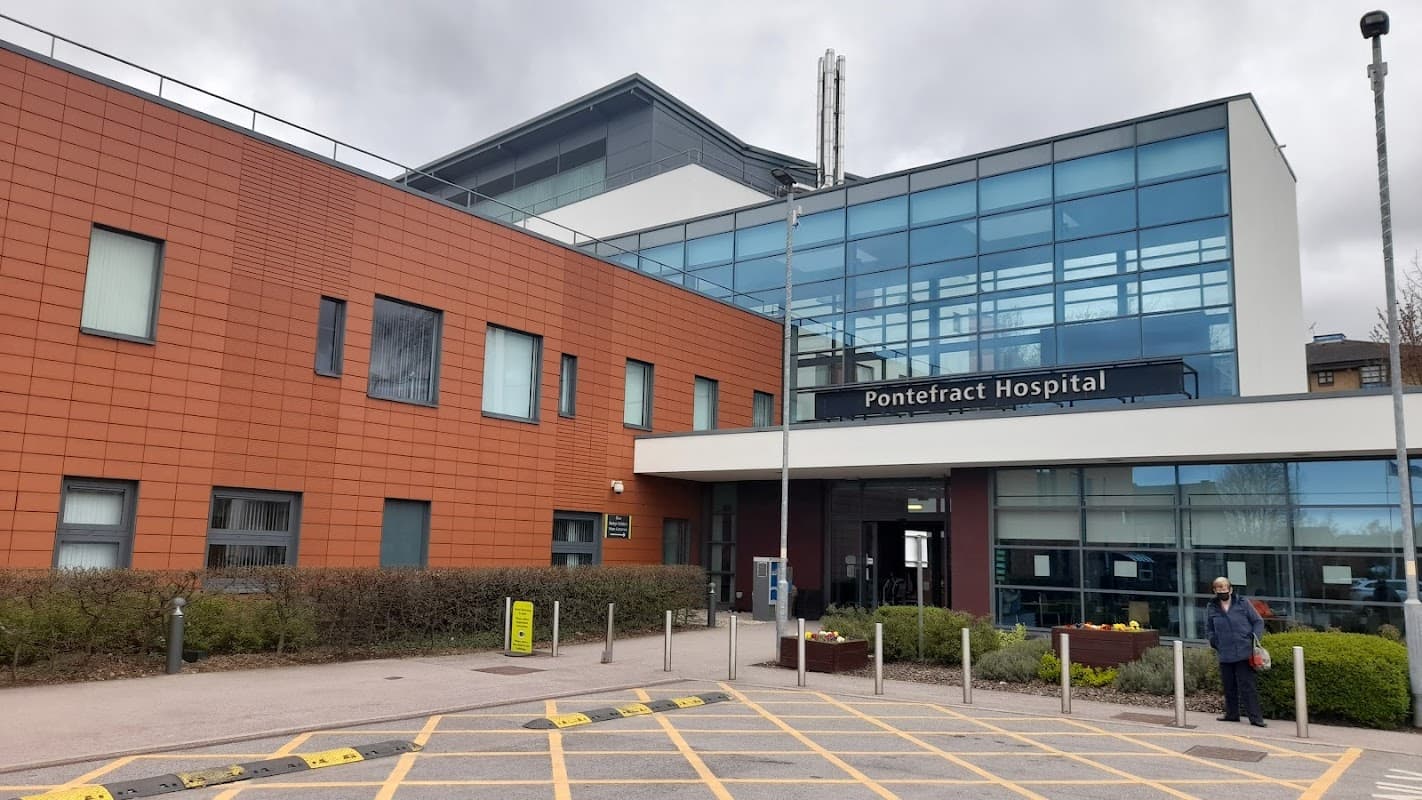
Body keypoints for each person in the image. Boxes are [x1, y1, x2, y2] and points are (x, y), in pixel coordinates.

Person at [1205, 576, 1266, 727]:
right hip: (1224, 652)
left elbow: (1258, 621)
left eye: (1225, 588)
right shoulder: (1211, 607)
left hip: (1244, 651)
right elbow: (1209, 628)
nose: (1222, 591)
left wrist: (1254, 639)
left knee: (1247, 686)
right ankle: (1232, 714)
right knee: (1228, 685)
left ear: (1231, 589)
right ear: (1214, 591)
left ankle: (1256, 718)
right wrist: (1214, 641)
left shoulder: (1243, 603)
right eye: (1219, 589)